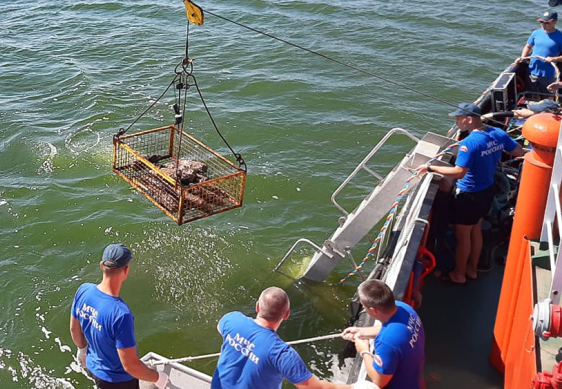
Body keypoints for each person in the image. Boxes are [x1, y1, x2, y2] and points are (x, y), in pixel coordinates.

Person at [417, 103, 524, 283]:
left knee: (463, 236)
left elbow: (459, 172)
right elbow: (519, 152)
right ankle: (472, 270)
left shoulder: (469, 143)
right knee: (476, 230)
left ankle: (459, 274)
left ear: (469, 119)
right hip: (487, 191)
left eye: (459, 119)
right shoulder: (498, 133)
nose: (457, 122)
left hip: (469, 195)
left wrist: (429, 167)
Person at [212, 286, 379, 389]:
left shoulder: (233, 320)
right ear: (286, 315)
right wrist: (355, 387)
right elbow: (317, 388)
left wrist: (244, 345)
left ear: (257, 306)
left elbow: (221, 327)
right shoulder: (282, 354)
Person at [70, 244, 168, 389]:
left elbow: (74, 329)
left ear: (102, 265)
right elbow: (130, 366)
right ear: (126, 269)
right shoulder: (121, 314)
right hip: (117, 382)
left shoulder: (83, 290)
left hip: (93, 367)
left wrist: (82, 349)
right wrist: (158, 378)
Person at [342, 280, 425, 389]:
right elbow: (393, 329)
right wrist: (362, 331)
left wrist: (364, 351)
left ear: (373, 310)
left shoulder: (386, 342)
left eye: (364, 306)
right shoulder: (404, 308)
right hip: (416, 379)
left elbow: (379, 380)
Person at [516, 10, 562, 94]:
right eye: (541, 22)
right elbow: (528, 46)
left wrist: (554, 58)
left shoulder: (560, 37)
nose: (543, 25)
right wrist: (523, 57)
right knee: (530, 95)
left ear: (554, 22)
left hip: (548, 75)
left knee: (546, 97)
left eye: (547, 23)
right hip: (532, 72)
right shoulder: (536, 33)